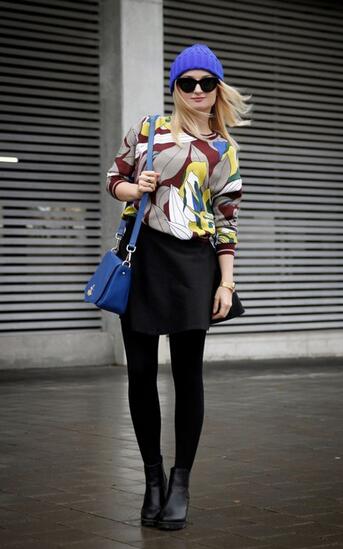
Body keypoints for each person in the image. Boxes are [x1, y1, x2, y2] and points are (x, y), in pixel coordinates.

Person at [106, 43, 251, 530]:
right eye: (187, 82)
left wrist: (226, 284)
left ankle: (180, 482)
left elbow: (227, 221)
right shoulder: (148, 130)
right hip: (144, 259)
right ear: (175, 87)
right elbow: (114, 179)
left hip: (194, 266)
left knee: (188, 377)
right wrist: (136, 187)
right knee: (141, 373)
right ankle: (152, 482)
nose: (196, 91)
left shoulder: (223, 150)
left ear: (217, 89)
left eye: (206, 83)